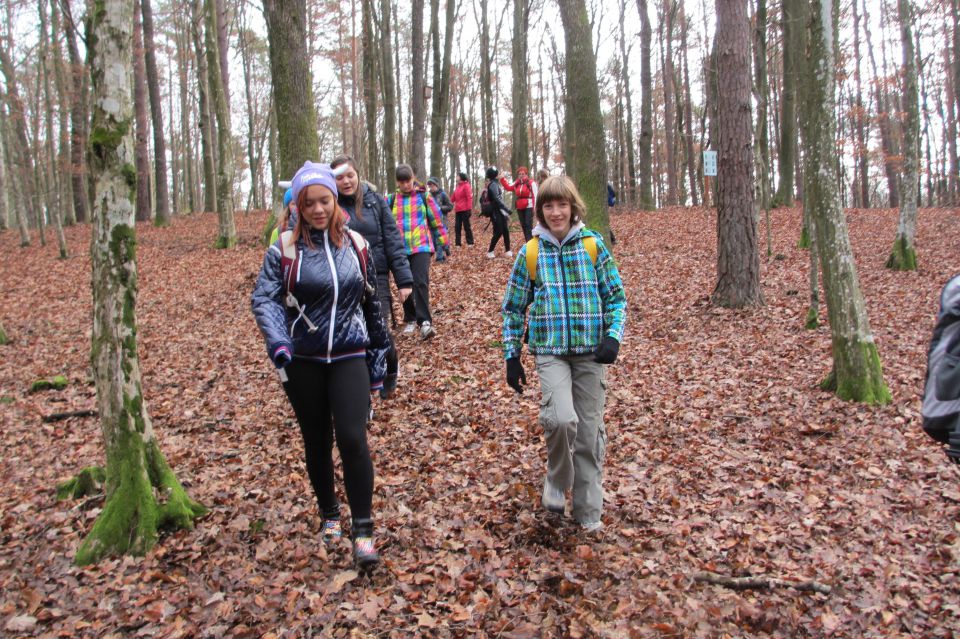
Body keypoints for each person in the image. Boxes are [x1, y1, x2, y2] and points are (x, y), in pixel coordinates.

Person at [251, 161, 390, 569]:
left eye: (323, 200)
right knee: (317, 439)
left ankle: (362, 531)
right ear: (296, 204)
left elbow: (371, 304)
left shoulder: (356, 245)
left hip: (349, 353)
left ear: (335, 200)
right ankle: (329, 514)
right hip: (302, 360)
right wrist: (279, 342)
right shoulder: (284, 249)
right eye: (307, 202)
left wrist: (381, 360)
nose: (316, 209)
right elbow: (264, 299)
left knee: (352, 438)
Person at [501, 175, 627, 533]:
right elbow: (512, 308)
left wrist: (613, 337)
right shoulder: (531, 251)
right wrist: (512, 355)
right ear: (539, 210)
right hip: (550, 351)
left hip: (591, 354)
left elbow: (616, 298)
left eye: (562, 205)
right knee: (560, 419)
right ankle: (557, 478)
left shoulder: (593, 245)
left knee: (588, 434)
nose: (556, 212)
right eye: (548, 206)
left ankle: (589, 513)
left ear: (573, 207)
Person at [331, 155, 413, 398]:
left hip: (374, 277)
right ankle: (362, 389)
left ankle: (390, 366)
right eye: (339, 177)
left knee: (379, 329)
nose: (346, 181)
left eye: (350, 175)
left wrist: (404, 280)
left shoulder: (375, 201)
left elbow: (392, 239)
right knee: (353, 336)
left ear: (358, 175)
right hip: (342, 280)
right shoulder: (329, 205)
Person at [388, 164, 449, 340]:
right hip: (400, 249)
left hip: (421, 246)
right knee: (404, 284)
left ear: (413, 178)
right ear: (397, 182)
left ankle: (424, 322)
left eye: (408, 180)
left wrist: (444, 243)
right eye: (402, 182)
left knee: (420, 281)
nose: (406, 185)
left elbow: (436, 220)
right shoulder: (391, 200)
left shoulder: (424, 196)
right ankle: (410, 317)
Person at [483, 166, 512, 259]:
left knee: (505, 230)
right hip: (496, 212)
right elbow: (497, 199)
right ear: (495, 175)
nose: (500, 174)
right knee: (499, 231)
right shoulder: (493, 185)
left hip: (499, 211)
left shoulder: (494, 184)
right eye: (498, 173)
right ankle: (490, 251)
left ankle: (508, 250)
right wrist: (506, 209)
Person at [501, 166, 536, 242]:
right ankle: (528, 242)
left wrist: (535, 208)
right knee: (523, 225)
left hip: (529, 206)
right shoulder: (517, 182)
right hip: (520, 207)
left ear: (526, 174)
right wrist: (502, 179)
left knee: (528, 224)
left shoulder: (531, 183)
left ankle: (531, 242)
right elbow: (508, 187)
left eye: (523, 174)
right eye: (519, 174)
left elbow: (535, 195)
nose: (521, 175)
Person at [426, 177, 454, 262]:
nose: (430, 187)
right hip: (431, 222)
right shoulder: (427, 195)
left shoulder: (443, 194)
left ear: (436, 185)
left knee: (439, 241)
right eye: (429, 185)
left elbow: (450, 206)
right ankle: (446, 247)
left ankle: (440, 259)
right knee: (433, 241)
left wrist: (440, 208)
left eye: (432, 185)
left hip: (441, 222)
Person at [452, 172, 474, 247]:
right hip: (458, 210)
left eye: (457, 176)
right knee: (457, 227)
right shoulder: (457, 186)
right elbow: (453, 198)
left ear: (461, 177)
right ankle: (458, 243)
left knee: (466, 226)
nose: (456, 177)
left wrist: (469, 209)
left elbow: (469, 198)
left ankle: (470, 242)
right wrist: (448, 202)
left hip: (465, 210)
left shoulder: (466, 185)